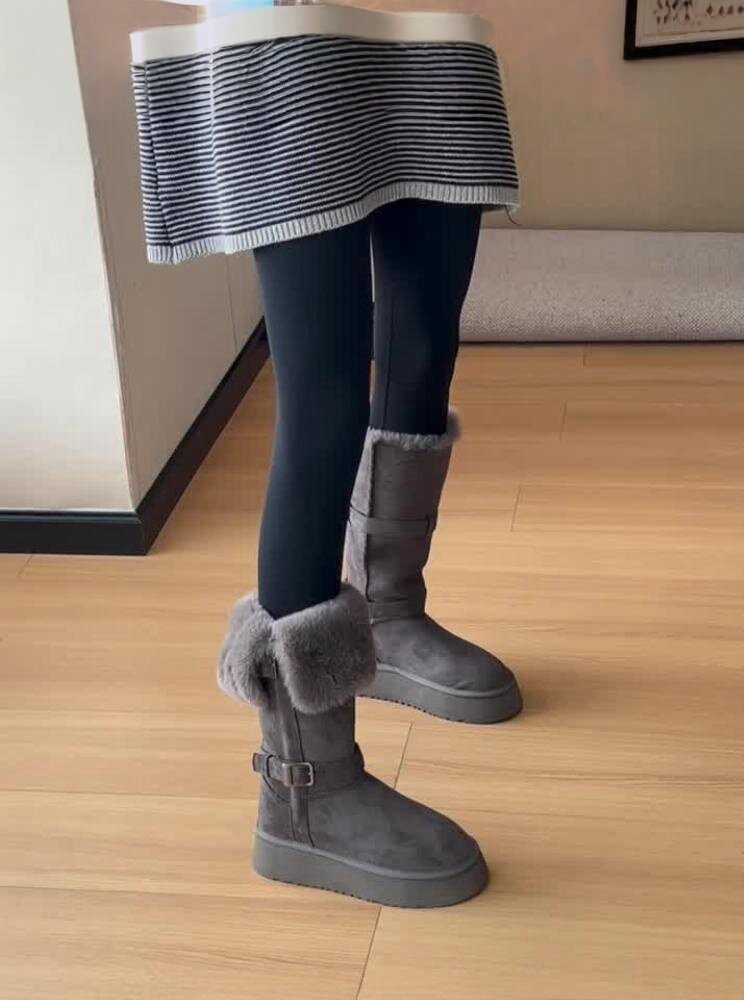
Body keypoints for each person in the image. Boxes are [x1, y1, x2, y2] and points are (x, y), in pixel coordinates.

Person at [131, 0, 522, 907]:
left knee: (424, 344)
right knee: (325, 398)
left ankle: (389, 614)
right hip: (284, 29)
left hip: (430, 34)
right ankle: (306, 794)